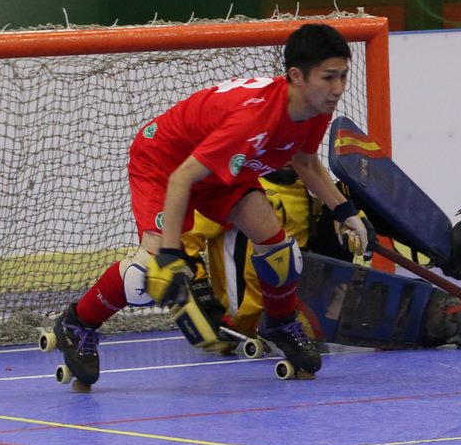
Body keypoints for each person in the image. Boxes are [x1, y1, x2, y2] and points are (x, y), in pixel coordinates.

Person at [46, 22, 368, 388]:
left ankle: (280, 324)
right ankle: (78, 323)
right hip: (165, 164)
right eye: (328, 77)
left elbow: (305, 161)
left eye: (343, 76)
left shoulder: (314, 107)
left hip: (219, 170)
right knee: (147, 276)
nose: (338, 88)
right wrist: (170, 254)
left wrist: (346, 212)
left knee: (280, 252)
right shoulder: (253, 119)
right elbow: (182, 177)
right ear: (297, 75)